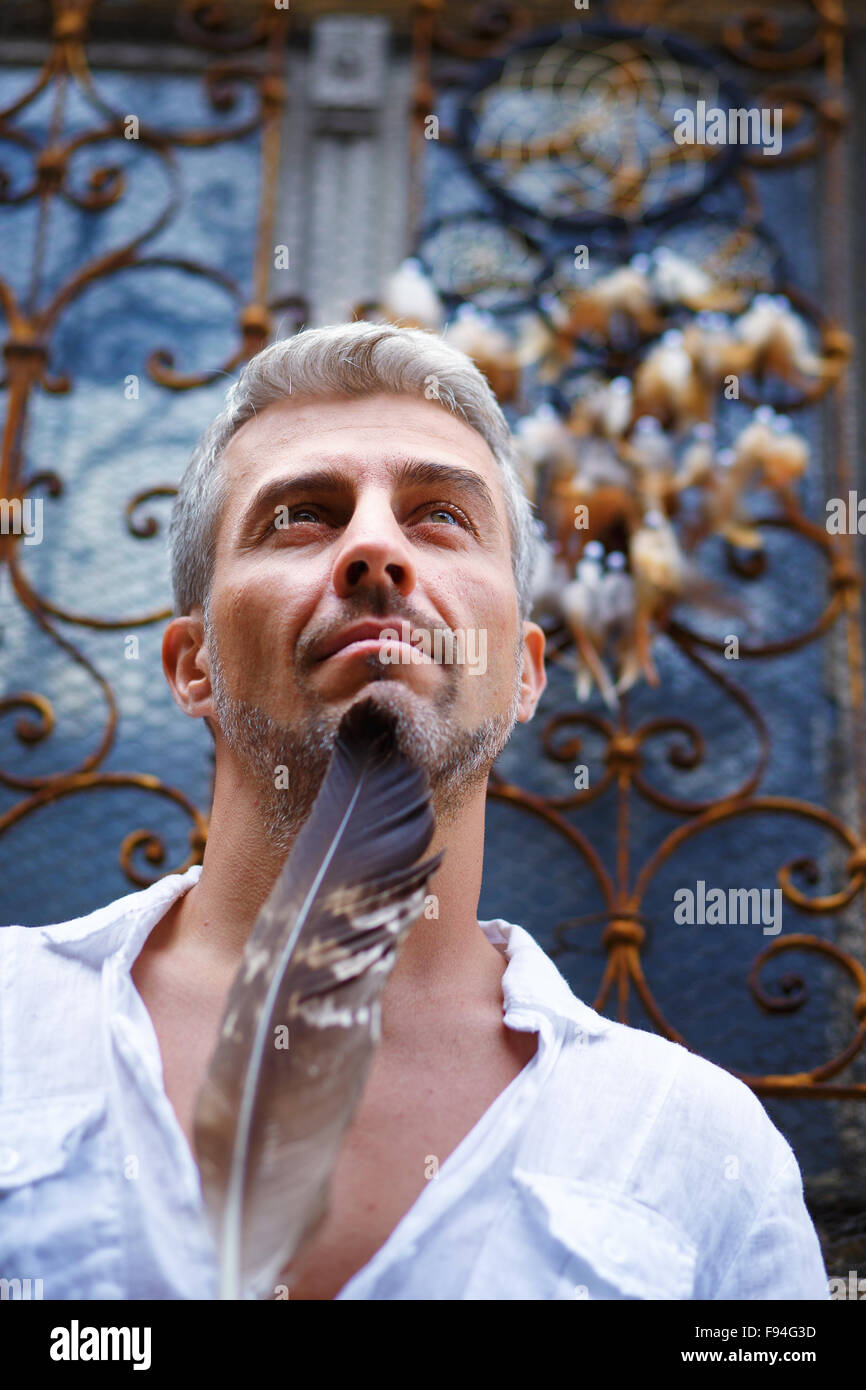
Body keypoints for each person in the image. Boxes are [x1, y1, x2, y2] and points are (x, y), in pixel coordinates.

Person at [0, 321, 828, 1300]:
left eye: (438, 516)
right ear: (191, 667)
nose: (373, 549)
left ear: (523, 674)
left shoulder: (699, 1154)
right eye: (301, 515)